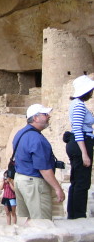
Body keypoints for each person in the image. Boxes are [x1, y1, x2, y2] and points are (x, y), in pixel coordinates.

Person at [12, 104, 65, 220]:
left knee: (31, 219)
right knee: (42, 222)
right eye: (45, 114)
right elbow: (44, 168)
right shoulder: (37, 139)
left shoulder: (20, 133)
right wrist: (57, 188)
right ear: (35, 118)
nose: (49, 116)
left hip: (21, 179)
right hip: (34, 183)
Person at [66, 75, 94, 219]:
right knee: (82, 181)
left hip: (78, 143)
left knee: (76, 180)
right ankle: (78, 215)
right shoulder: (79, 106)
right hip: (81, 144)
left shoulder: (76, 104)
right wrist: (84, 153)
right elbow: (77, 129)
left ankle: (73, 214)